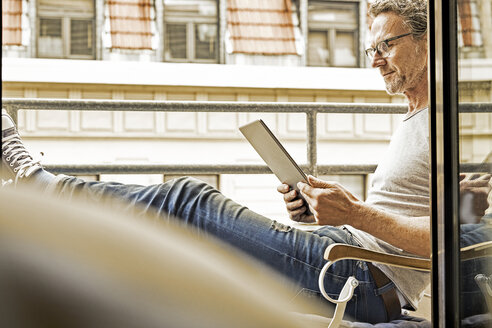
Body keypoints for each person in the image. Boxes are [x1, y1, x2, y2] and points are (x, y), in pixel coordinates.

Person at [1, 0, 490, 323]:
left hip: (361, 277)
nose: (375, 60)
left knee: (187, 199)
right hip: (340, 247)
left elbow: (450, 244)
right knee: (189, 236)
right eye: (371, 48)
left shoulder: (450, 125)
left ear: (428, 43)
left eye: (386, 45)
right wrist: (318, 205)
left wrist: (354, 213)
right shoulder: (415, 119)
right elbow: (428, 218)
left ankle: (38, 183)